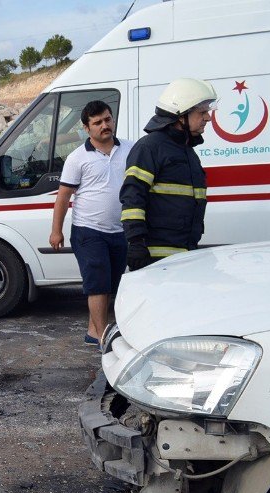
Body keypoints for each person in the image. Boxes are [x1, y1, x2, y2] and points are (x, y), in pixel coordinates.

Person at [50, 100, 133, 346]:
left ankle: (92, 332)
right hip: (88, 230)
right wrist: (56, 231)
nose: (104, 125)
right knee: (97, 284)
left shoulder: (131, 149)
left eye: (107, 119)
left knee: (110, 284)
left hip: (120, 231)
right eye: (97, 123)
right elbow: (63, 197)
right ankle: (104, 339)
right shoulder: (77, 158)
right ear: (86, 128)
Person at [120, 78, 216, 270]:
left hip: (184, 253)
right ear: (181, 116)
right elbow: (132, 198)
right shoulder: (149, 148)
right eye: (202, 112)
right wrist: (137, 243)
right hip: (155, 257)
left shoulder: (187, 151)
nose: (208, 118)